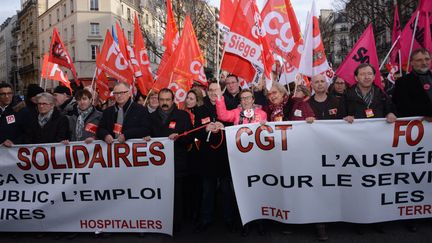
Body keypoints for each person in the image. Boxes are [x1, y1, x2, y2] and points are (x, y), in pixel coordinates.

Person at [144, 88, 193, 233]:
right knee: (160, 194)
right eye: (162, 100)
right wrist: (146, 137)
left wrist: (180, 137)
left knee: (177, 195)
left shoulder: (183, 116)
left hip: (177, 163)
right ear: (158, 101)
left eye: (167, 100)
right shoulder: (151, 118)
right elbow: (145, 133)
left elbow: (190, 137)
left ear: (173, 101)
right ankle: (161, 222)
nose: (165, 103)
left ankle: (176, 224)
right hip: (157, 165)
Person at [193, 81, 237, 234]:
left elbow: (236, 126)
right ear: (207, 92)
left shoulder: (230, 105)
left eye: (216, 90)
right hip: (207, 156)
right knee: (208, 190)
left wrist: (224, 127)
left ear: (221, 90)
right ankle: (206, 219)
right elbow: (195, 132)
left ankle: (229, 219)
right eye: (210, 90)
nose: (213, 93)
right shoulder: (200, 109)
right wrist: (205, 128)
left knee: (226, 191)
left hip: (225, 156)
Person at [393, 48, 432, 120]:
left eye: (427, 59)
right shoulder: (402, 82)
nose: (424, 63)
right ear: (412, 63)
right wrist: (428, 113)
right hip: (418, 127)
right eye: (419, 60)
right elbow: (402, 107)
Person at [0, 82, 24, 146]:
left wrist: (14, 142)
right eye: (3, 94)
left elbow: (27, 132)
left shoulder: (20, 110)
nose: (7, 96)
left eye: (9, 93)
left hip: (13, 152)